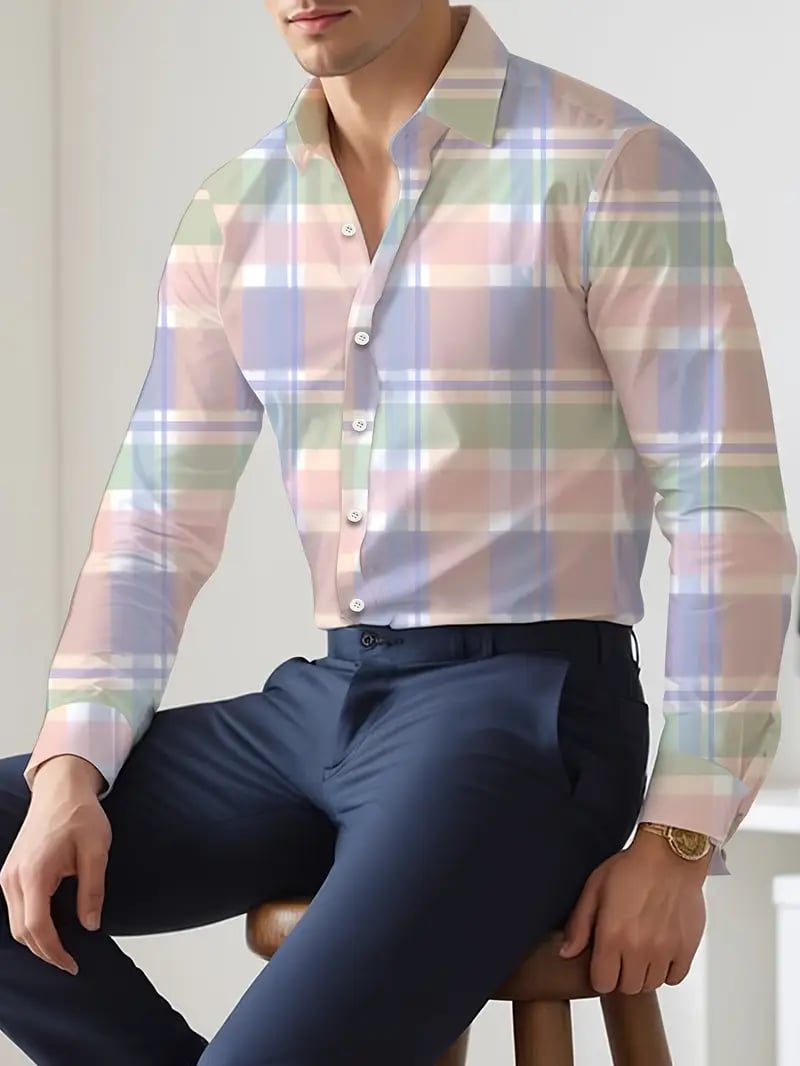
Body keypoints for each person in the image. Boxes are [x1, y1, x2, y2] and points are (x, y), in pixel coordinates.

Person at [0, 2, 795, 1063]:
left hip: (524, 717)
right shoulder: (237, 212)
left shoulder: (612, 168)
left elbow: (724, 508)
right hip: (327, 703)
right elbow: (153, 524)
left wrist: (679, 836)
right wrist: (71, 764)